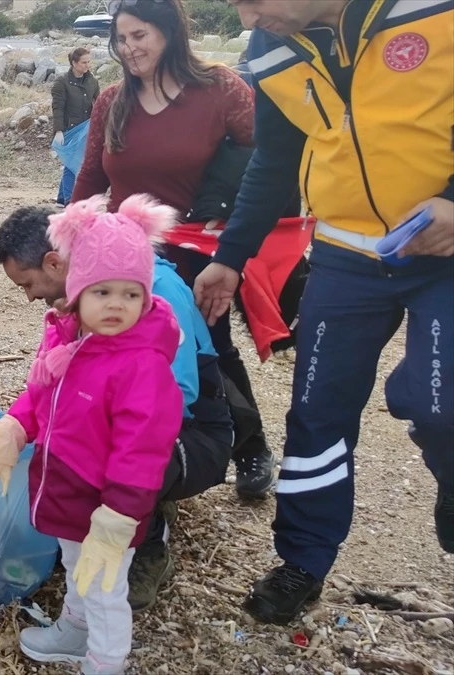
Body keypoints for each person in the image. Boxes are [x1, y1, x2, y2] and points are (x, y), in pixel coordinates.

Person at [194, 0, 454, 625]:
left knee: (436, 400)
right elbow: (275, 159)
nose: (247, 21)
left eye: (252, 2)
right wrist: (231, 256)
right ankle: (303, 561)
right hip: (344, 259)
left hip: (444, 255)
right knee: (317, 415)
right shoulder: (272, 50)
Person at [71, 0, 275, 502]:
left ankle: (248, 446)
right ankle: (139, 457)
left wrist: (225, 217)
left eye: (139, 35)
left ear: (169, 33)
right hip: (127, 263)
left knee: (212, 351)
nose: (128, 48)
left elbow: (267, 158)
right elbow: (90, 180)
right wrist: (70, 243)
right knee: (128, 354)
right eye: (121, 38)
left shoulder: (220, 88)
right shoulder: (112, 101)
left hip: (201, 256)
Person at [0, 204, 238, 611]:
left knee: (103, 448)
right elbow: (49, 387)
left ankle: (146, 543)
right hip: (152, 421)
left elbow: (166, 408)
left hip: (194, 432)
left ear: (54, 262)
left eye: (27, 283)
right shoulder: (78, 303)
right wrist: (16, 426)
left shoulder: (145, 294)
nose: (30, 295)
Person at [0, 194, 183, 675]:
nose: (115, 306)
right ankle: (74, 630)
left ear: (147, 295)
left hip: (107, 502)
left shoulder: (141, 363)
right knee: (77, 568)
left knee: (105, 585)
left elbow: (142, 451)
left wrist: (119, 517)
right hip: (69, 487)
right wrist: (13, 425)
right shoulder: (69, 336)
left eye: (130, 294)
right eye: (101, 293)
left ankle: (105, 662)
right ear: (78, 289)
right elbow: (40, 392)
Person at [49, 47, 99, 205]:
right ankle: (70, 201)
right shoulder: (61, 83)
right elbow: (58, 107)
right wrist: (59, 130)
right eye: (84, 62)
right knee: (72, 164)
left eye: (89, 62)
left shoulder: (92, 81)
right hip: (70, 129)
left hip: (86, 129)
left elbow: (98, 104)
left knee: (73, 163)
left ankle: (62, 198)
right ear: (73, 63)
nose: (87, 65)